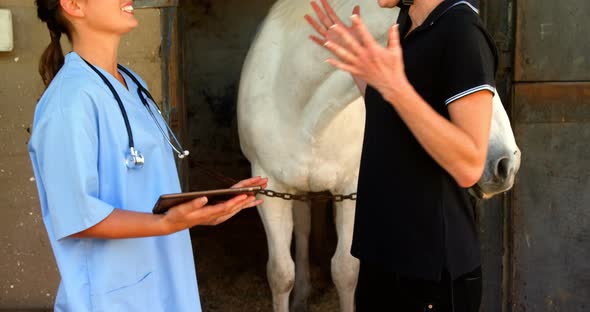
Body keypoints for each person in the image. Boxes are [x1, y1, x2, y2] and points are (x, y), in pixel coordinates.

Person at [29, 1, 267, 311]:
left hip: (161, 282)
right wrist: (169, 223)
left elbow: (144, 188)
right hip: (111, 297)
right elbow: (78, 216)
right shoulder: (68, 101)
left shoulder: (133, 83)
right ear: (74, 5)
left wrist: (204, 209)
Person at [306, 0, 497, 311]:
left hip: (429, 275)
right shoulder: (407, 26)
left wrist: (395, 88)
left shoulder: (462, 31)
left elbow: (470, 164)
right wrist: (361, 68)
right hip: (382, 255)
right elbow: (394, 115)